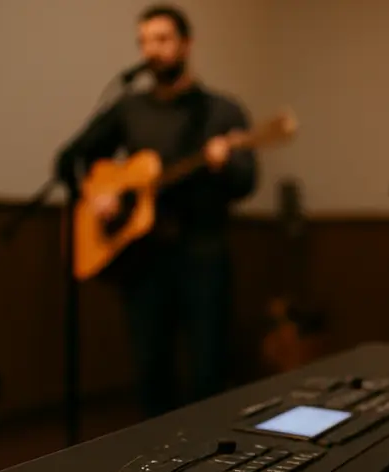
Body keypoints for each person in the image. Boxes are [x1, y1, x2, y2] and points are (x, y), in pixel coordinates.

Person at [55, 4, 257, 419]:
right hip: (143, 260)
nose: (152, 50)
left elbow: (246, 182)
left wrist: (223, 164)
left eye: (162, 40)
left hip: (203, 252)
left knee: (208, 371)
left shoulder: (221, 111)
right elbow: (70, 159)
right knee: (151, 373)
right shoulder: (129, 108)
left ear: (186, 44)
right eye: (144, 41)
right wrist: (96, 196)